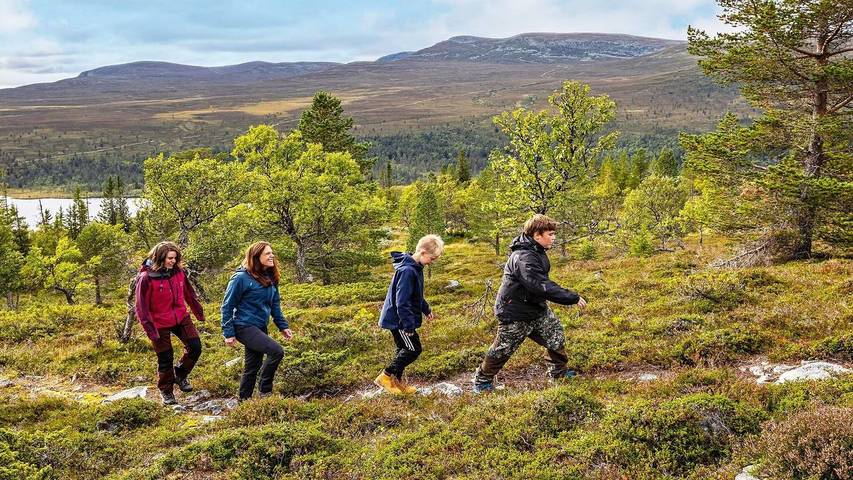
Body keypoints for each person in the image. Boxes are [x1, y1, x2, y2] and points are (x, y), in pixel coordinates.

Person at [472, 215, 587, 393]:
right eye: (550, 234)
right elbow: (540, 285)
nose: (554, 237)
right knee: (503, 349)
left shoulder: (537, 250)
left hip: (536, 308)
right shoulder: (523, 257)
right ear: (536, 235)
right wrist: (571, 297)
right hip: (514, 311)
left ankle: (558, 373)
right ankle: (482, 382)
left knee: (555, 335)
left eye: (554, 233)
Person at [135, 241, 205, 405]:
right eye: (170, 258)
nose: (173, 261)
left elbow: (189, 292)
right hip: (158, 322)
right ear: (160, 258)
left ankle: (180, 375)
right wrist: (150, 330)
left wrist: (198, 312)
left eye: (175, 258)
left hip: (181, 317)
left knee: (195, 347)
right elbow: (141, 307)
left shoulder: (178, 272)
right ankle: (166, 390)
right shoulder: (146, 278)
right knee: (165, 358)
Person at [221, 241, 293, 401]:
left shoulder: (270, 277)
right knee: (277, 352)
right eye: (267, 253)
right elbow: (227, 306)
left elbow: (275, 303)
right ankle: (265, 391)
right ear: (256, 256)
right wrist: (228, 333)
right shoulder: (240, 278)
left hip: (260, 326)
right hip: (243, 326)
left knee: (252, 366)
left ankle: (243, 401)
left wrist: (283, 326)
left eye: (272, 253)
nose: (272, 256)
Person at [375, 234, 444, 394]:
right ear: (422, 252)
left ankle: (395, 383)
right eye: (431, 259)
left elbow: (416, 295)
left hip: (399, 318)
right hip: (399, 320)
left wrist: (426, 309)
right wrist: (408, 326)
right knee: (414, 349)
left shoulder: (416, 268)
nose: (431, 262)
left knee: (403, 348)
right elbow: (402, 301)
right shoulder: (407, 271)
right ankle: (385, 376)